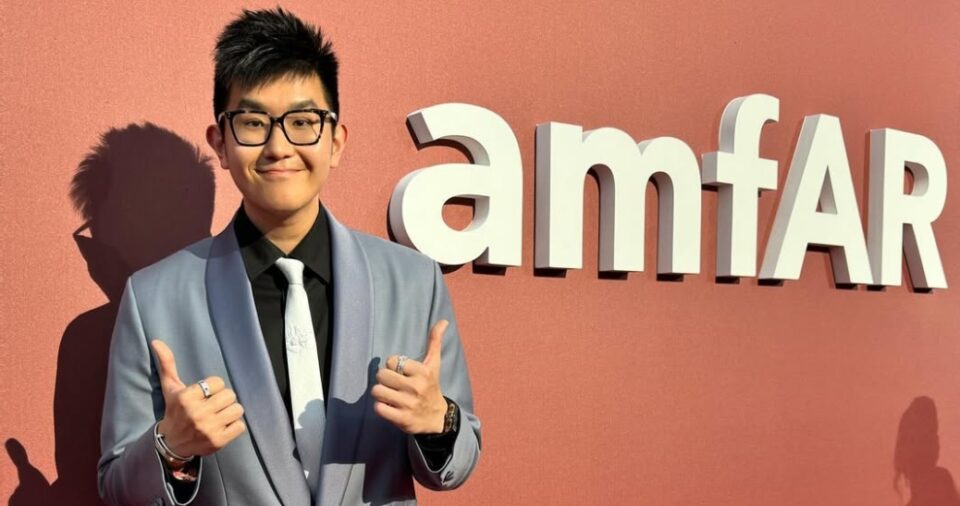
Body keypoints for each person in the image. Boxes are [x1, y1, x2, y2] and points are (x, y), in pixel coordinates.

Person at [97, 8, 481, 506]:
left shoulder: (413, 281)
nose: (278, 147)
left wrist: (439, 421)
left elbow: (459, 461)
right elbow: (116, 485)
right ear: (221, 142)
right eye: (253, 122)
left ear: (336, 141)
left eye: (302, 122)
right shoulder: (152, 299)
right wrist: (172, 449)